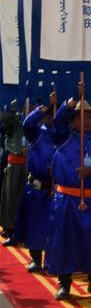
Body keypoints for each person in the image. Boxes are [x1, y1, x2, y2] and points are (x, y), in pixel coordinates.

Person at [46, 95, 91, 300]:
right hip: (68, 199)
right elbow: (59, 121)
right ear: (72, 120)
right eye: (80, 117)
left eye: (89, 118)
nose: (86, 121)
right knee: (65, 241)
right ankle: (64, 283)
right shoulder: (62, 137)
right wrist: (69, 103)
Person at [12, 95, 65, 272]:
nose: (52, 116)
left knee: (56, 227)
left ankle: (53, 260)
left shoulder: (64, 135)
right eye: (50, 113)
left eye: (56, 114)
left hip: (59, 190)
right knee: (35, 224)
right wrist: (45, 106)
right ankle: (35, 258)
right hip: (37, 188)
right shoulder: (37, 133)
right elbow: (27, 123)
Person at [1, 101, 26, 244]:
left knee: (25, 200)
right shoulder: (14, 117)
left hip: (30, 164)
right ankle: (10, 229)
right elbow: (4, 120)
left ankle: (22, 230)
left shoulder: (38, 115)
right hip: (15, 162)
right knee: (10, 198)